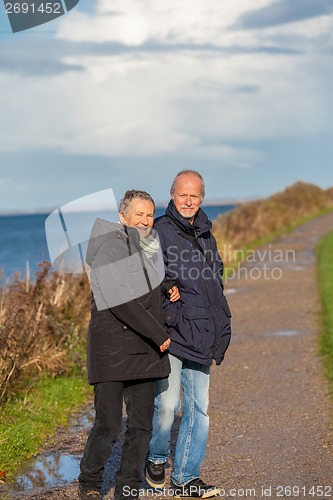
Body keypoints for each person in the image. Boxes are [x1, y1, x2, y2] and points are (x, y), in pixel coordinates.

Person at [78, 190, 179, 500]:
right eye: (139, 214)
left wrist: (166, 284)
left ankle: (128, 486)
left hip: (143, 351)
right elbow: (120, 299)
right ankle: (90, 481)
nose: (146, 220)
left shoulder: (145, 246)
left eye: (150, 214)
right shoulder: (109, 244)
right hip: (112, 348)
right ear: (123, 216)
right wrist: (158, 333)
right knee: (107, 425)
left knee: (141, 427)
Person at [145, 170, 232, 498]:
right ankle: (155, 456)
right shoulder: (159, 231)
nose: (188, 201)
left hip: (202, 332)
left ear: (202, 198)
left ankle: (186, 478)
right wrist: (167, 289)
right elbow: (147, 274)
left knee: (199, 410)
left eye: (194, 196)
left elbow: (217, 272)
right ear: (171, 194)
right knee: (168, 405)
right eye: (183, 194)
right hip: (172, 332)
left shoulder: (206, 233)